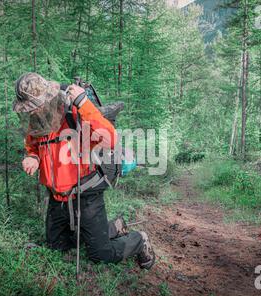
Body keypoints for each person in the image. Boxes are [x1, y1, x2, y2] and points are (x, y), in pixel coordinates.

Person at [13, 72, 155, 269]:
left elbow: (109, 139)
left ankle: (139, 240)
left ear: (47, 99)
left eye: (34, 108)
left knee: (100, 254)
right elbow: (34, 145)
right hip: (57, 198)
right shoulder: (37, 120)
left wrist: (83, 102)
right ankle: (112, 228)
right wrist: (33, 157)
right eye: (29, 110)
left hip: (86, 194)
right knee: (56, 246)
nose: (32, 113)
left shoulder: (74, 113)